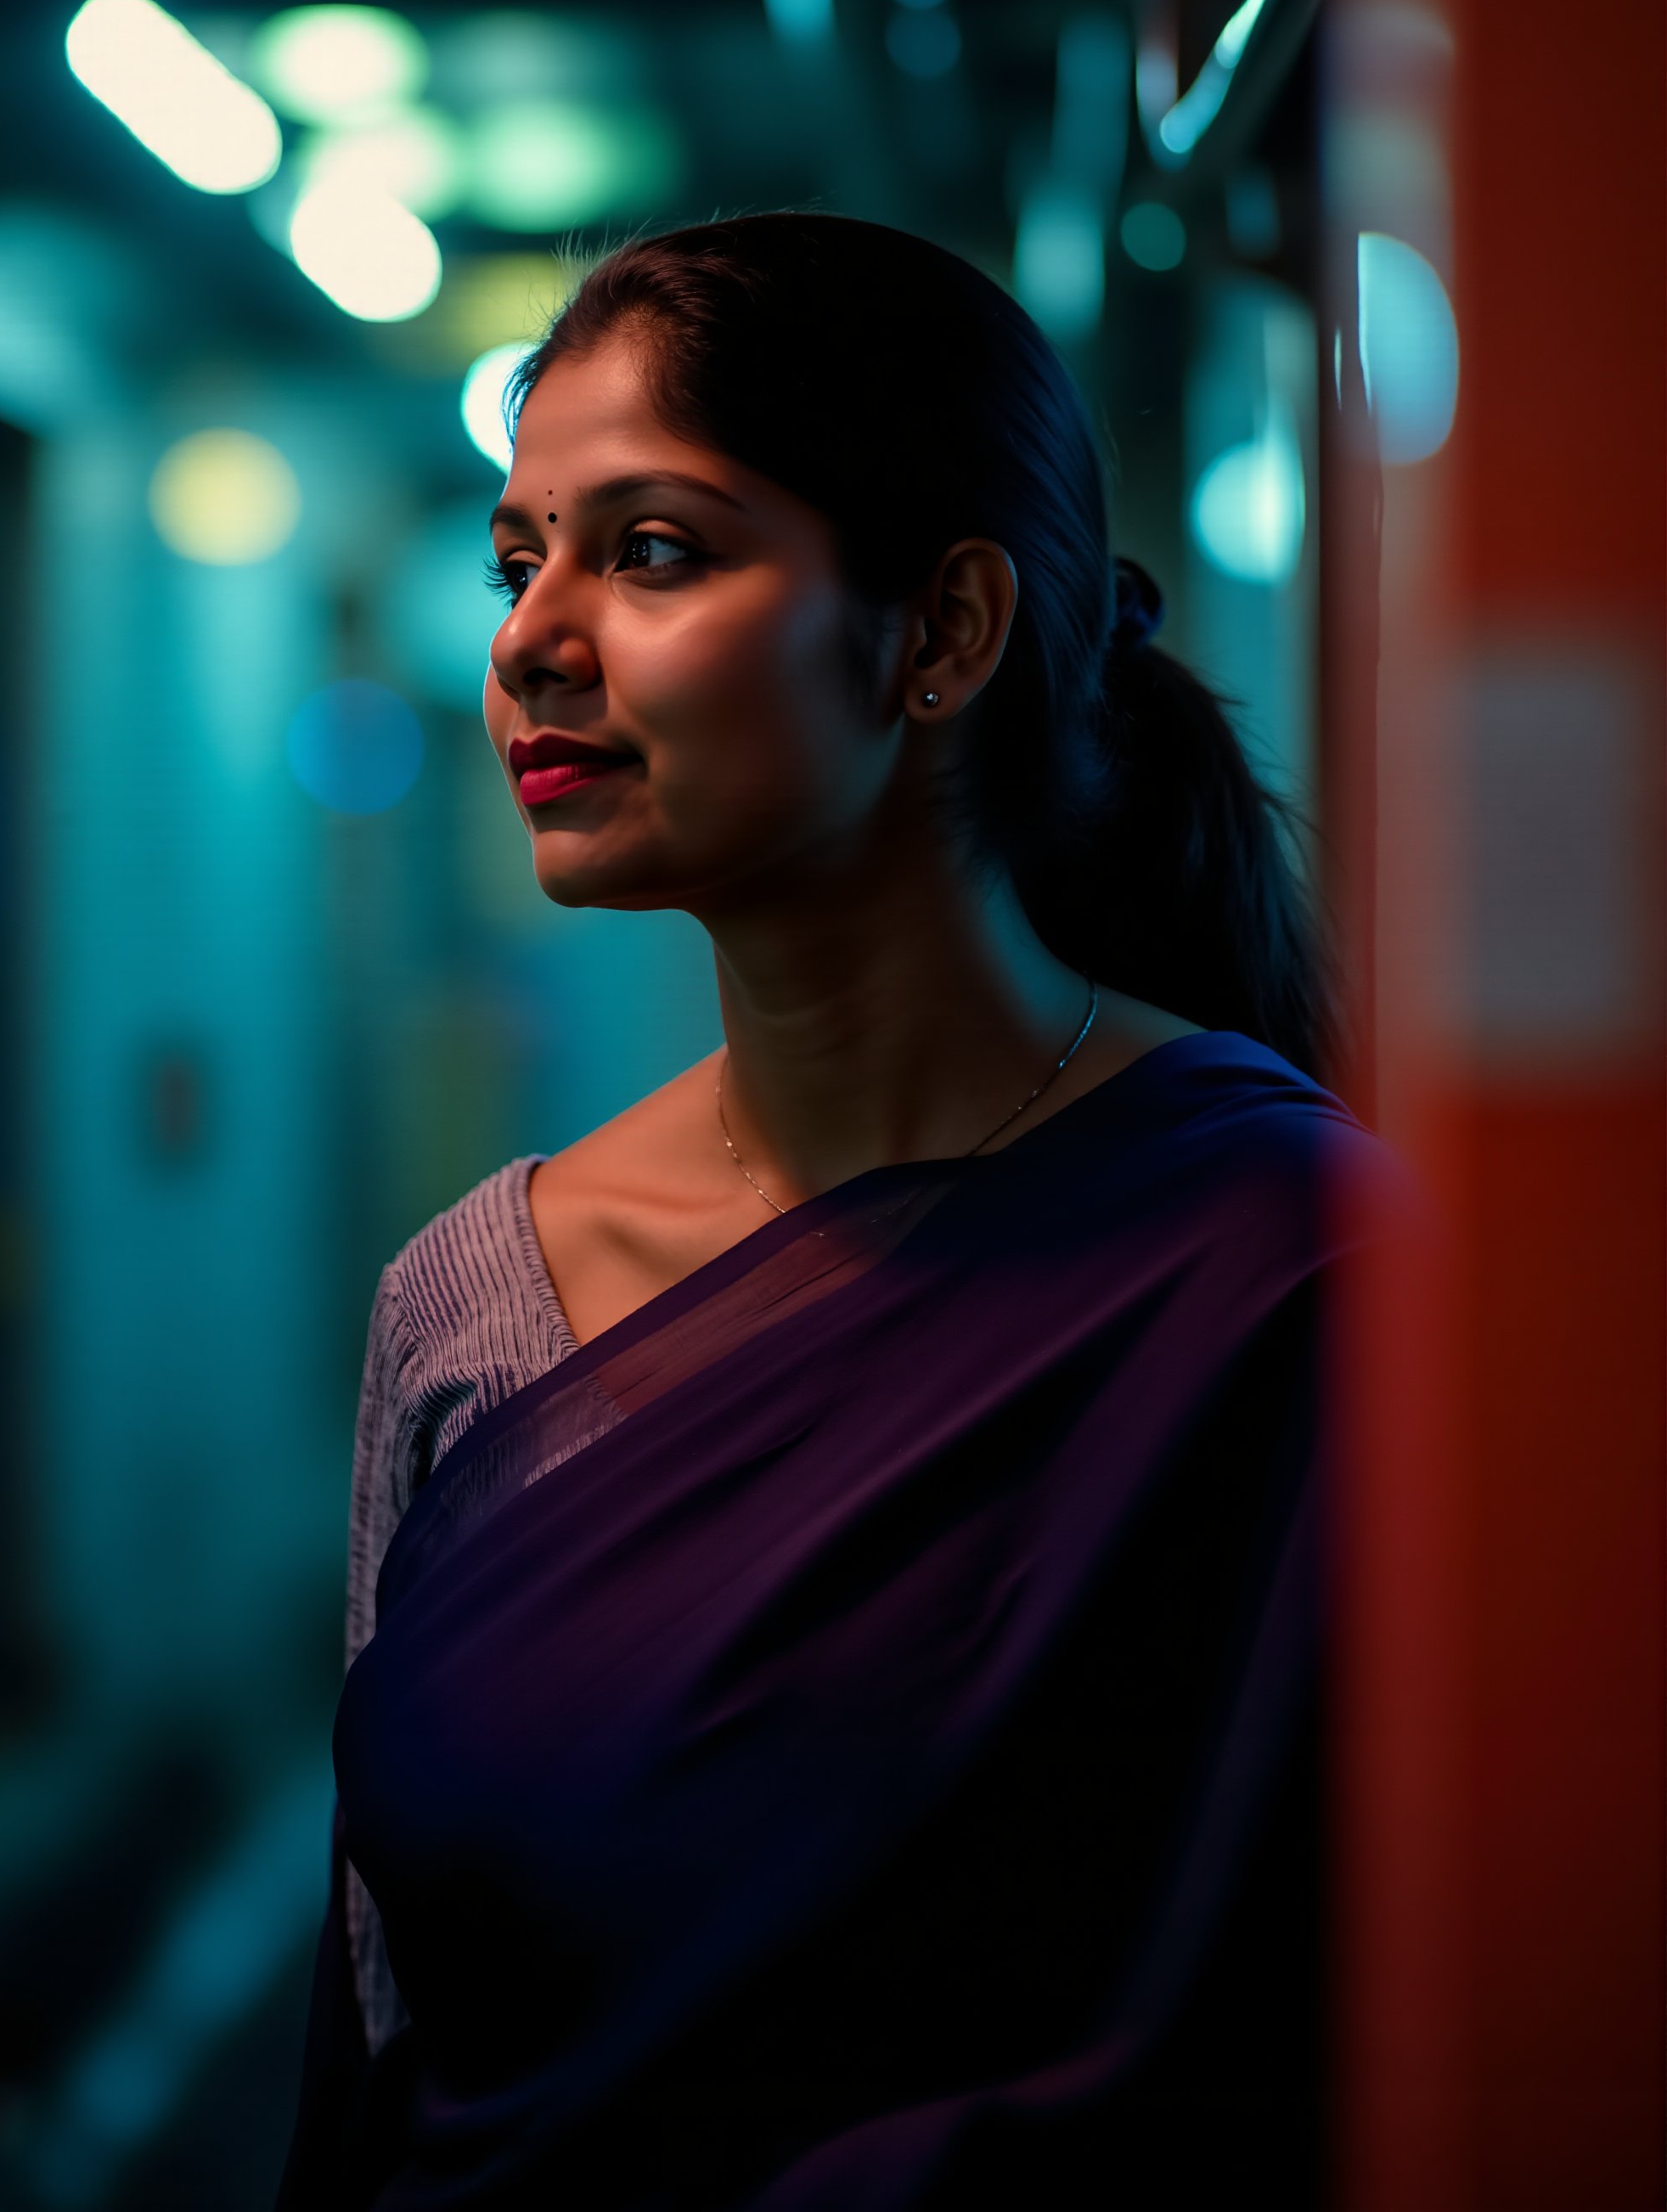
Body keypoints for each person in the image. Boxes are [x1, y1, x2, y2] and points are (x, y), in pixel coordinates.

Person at [279, 213, 1393, 2209]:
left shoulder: (1302, 1266)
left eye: (653, 550)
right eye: (517, 557)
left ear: (942, 634)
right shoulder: (468, 1300)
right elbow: (380, 2020)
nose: (530, 640)